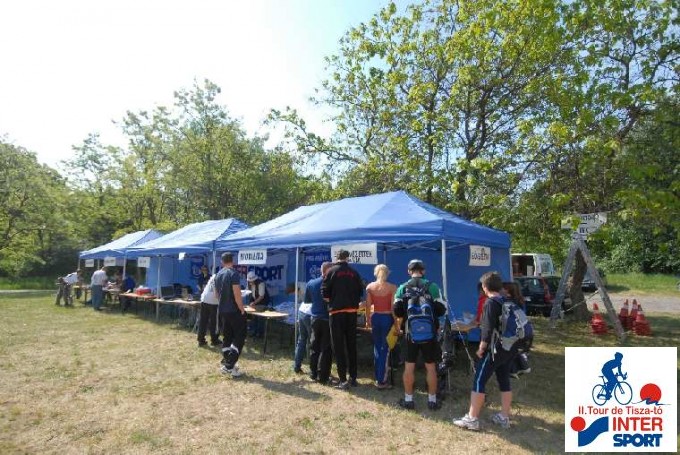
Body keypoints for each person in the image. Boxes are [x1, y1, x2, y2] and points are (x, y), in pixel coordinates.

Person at [453, 271, 516, 430]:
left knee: (479, 380)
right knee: (504, 380)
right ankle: (504, 416)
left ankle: (472, 419)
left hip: (495, 348)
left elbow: (487, 329)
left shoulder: (490, 303)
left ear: (484, 286)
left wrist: (481, 348)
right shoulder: (506, 301)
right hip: (509, 347)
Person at [393, 259, 447, 411]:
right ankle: (432, 401)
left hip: (410, 333)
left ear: (409, 271)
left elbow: (397, 310)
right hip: (430, 333)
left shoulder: (402, 288)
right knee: (431, 367)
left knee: (409, 367)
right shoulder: (433, 286)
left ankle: (409, 400)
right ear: (423, 271)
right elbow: (442, 310)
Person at [321, 250, 364, 390]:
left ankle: (343, 380)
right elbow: (360, 292)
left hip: (336, 313)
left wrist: (334, 300)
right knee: (352, 345)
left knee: (338, 347)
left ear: (336, 257)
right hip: (352, 313)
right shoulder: (354, 273)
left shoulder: (331, 272)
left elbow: (325, 294)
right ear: (348, 258)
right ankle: (353, 377)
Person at [214, 252, 247, 378]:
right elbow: (237, 294)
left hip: (223, 310)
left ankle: (228, 364)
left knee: (227, 336)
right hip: (234, 310)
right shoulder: (233, 274)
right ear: (232, 261)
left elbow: (217, 295)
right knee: (239, 336)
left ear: (222, 262)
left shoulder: (218, 275)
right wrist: (242, 309)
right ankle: (229, 365)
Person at [365, 264, 397, 389]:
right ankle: (381, 380)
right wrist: (396, 323)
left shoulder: (370, 287)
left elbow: (368, 306)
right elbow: (393, 308)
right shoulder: (392, 287)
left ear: (375, 273)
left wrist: (367, 320)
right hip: (387, 318)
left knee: (377, 347)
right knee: (385, 348)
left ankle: (378, 376)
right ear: (387, 273)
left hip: (375, 317)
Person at [308, 262, 333, 385]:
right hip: (327, 319)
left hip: (315, 318)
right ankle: (323, 376)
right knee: (325, 348)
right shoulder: (332, 284)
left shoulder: (311, 283)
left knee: (314, 346)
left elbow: (307, 300)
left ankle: (313, 373)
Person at [197, 273, 221, 347]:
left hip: (204, 299)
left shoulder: (213, 276)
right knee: (214, 322)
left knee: (203, 321)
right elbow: (217, 294)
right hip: (213, 302)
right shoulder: (220, 278)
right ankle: (214, 340)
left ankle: (201, 340)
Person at [246, 271, 271, 337]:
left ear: (254, 279)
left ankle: (260, 333)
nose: (250, 282)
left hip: (263, 302)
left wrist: (254, 303)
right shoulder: (249, 284)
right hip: (255, 302)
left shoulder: (261, 283)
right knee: (253, 316)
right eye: (249, 281)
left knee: (260, 317)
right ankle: (254, 331)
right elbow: (248, 292)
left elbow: (261, 296)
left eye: (251, 281)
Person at [293, 297, 312, 374]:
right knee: (314, 343)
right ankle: (314, 370)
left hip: (302, 310)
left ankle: (296, 366)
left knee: (301, 340)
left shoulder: (310, 287)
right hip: (310, 313)